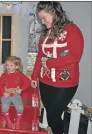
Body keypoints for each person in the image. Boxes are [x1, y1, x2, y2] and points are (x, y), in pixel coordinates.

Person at [31, 2, 84, 134]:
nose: (42, 22)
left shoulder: (72, 30)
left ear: (54, 13)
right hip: (45, 81)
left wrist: (49, 63)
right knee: (50, 113)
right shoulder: (45, 35)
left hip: (65, 82)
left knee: (54, 115)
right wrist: (34, 76)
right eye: (40, 19)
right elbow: (39, 56)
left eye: (44, 18)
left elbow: (74, 57)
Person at [0, 56, 31, 129]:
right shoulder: (4, 75)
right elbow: (0, 85)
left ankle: (17, 122)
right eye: (7, 65)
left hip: (16, 95)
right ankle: (8, 121)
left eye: (11, 65)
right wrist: (4, 93)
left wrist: (21, 89)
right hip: (6, 95)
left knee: (20, 108)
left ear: (16, 66)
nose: (8, 67)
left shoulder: (20, 75)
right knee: (4, 108)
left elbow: (28, 82)